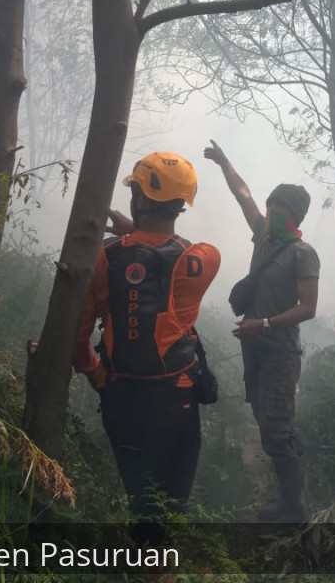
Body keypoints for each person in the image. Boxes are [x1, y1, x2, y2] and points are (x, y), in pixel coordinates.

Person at [73, 151, 220, 539]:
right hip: (179, 396)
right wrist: (136, 235)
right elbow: (165, 257)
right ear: (180, 204)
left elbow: (78, 333)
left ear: (137, 199)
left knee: (142, 497)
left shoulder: (104, 257)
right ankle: (160, 569)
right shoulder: (199, 259)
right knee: (172, 502)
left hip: (123, 394)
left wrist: (92, 370)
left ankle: (152, 566)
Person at [203, 139, 320, 523]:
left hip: (279, 352)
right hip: (255, 349)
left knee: (276, 427)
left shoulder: (303, 254)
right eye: (271, 207)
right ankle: (293, 497)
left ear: (296, 218)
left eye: (280, 210)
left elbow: (308, 307)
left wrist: (264, 324)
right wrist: (224, 161)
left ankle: (294, 509)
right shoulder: (263, 236)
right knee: (264, 418)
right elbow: (243, 194)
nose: (271, 213)